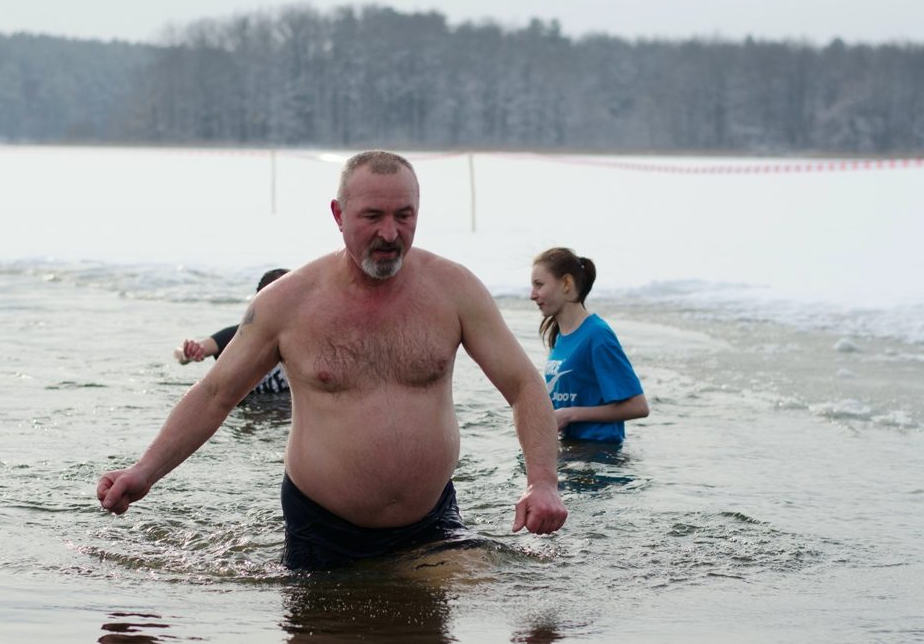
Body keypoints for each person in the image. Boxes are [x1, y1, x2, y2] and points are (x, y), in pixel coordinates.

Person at [97, 150, 568, 570]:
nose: (390, 233)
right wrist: (145, 471)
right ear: (338, 215)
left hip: (432, 519)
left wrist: (542, 481)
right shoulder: (287, 302)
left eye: (404, 216)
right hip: (322, 529)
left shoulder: (454, 289)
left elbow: (523, 385)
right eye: (373, 216)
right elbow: (216, 394)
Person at [530, 247, 649, 443]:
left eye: (539, 285)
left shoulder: (597, 335)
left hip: (600, 453)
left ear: (566, 283)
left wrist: (570, 415)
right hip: (571, 450)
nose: (532, 295)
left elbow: (638, 407)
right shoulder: (560, 335)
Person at [173, 268, 291, 396]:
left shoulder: (301, 340)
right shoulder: (238, 336)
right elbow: (179, 353)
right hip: (247, 405)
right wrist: (188, 353)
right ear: (259, 301)